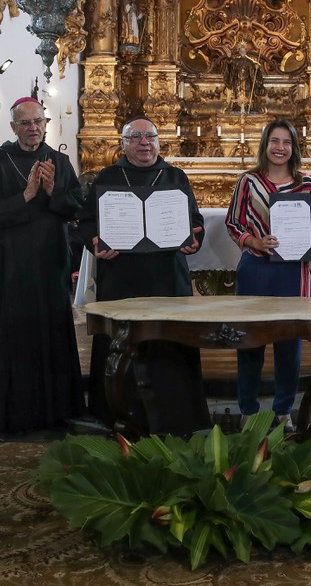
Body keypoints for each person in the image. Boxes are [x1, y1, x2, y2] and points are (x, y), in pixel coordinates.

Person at [78, 116, 209, 435]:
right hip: (123, 278)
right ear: (123, 144)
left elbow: (194, 220)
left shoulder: (175, 177)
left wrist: (195, 239)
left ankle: (177, 416)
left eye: (149, 136)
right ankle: (118, 414)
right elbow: (86, 223)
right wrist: (94, 241)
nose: (143, 143)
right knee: (121, 344)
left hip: (167, 279)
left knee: (170, 344)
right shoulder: (107, 177)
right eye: (135, 137)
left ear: (158, 141)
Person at [0, 97, 84, 438]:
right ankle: (14, 416)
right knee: (14, 335)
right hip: (10, 263)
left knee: (52, 333)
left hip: (51, 261)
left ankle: (57, 413)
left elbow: (77, 210)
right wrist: (24, 196)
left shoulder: (60, 161)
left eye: (38, 121)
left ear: (45, 123)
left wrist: (52, 191)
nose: (33, 128)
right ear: (13, 127)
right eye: (25, 123)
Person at [225, 119, 311, 431]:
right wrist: (253, 241)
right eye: (274, 141)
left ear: (294, 148)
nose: (280, 148)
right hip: (256, 269)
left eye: (286, 142)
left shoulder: (307, 184)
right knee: (250, 340)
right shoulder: (248, 182)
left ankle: (283, 410)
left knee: (289, 344)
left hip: (293, 271)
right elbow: (233, 223)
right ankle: (248, 409)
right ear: (264, 145)